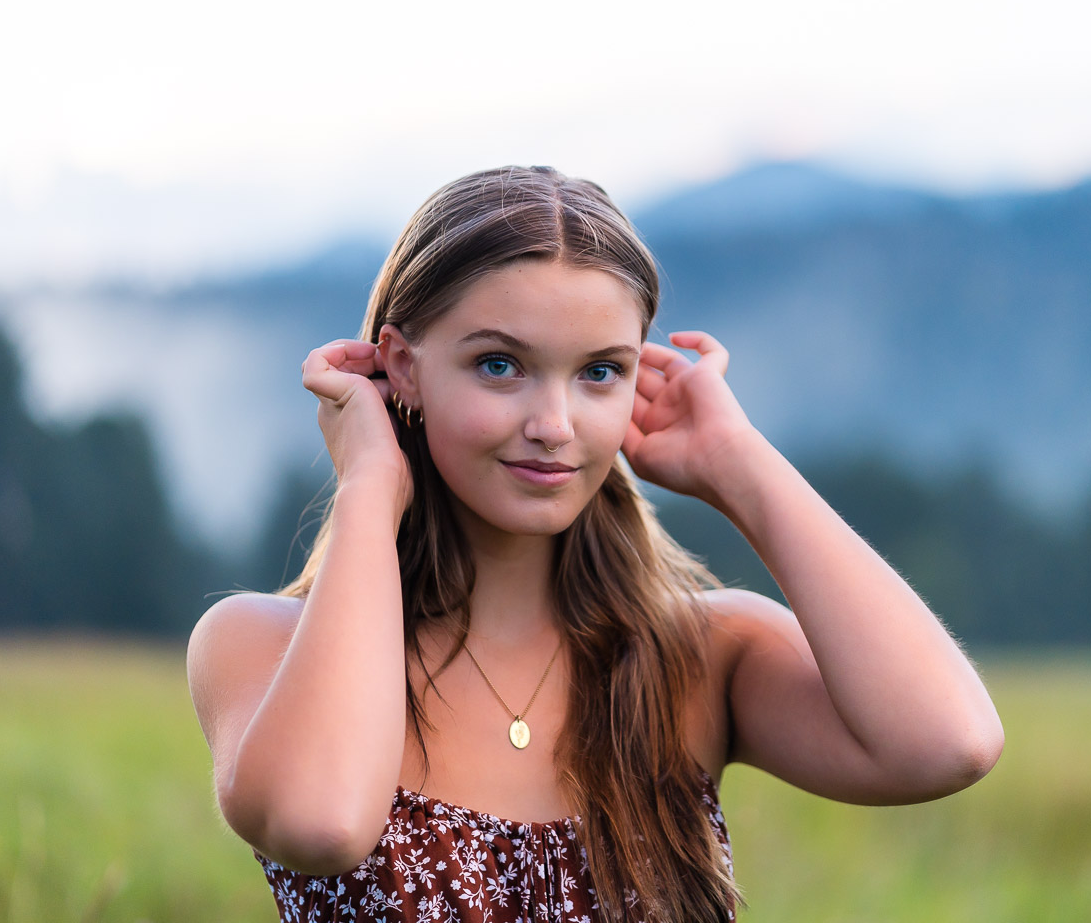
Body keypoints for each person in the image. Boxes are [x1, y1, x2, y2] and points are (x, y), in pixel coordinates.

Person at [185, 164, 1004, 923]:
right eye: (501, 365)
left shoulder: (698, 655)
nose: (554, 426)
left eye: (599, 372)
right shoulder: (258, 645)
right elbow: (320, 822)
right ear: (400, 367)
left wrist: (740, 467)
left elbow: (948, 744)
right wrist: (371, 485)